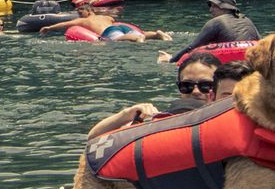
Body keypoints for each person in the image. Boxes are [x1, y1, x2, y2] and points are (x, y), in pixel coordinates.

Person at [86, 55, 221, 138]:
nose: (196, 91)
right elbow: (93, 137)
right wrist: (127, 113)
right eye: (187, 86)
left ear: (219, 86)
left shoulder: (232, 118)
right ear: (179, 86)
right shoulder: (159, 119)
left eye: (205, 85)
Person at [160, 0, 259, 67]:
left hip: (231, 65)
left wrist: (171, 60)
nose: (210, 10)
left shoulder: (216, 22)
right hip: (252, 62)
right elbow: (260, 43)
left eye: (214, 6)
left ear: (224, 7)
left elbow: (192, 47)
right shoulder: (247, 20)